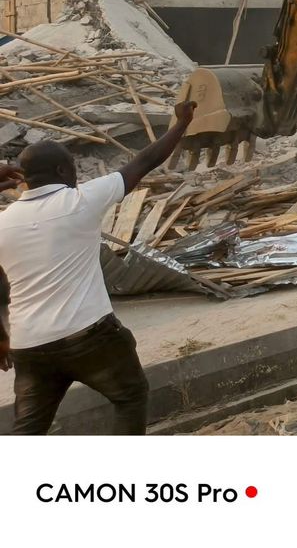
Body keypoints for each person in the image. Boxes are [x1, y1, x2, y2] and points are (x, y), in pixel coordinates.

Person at [0, 100, 197, 435]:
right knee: (130, 396)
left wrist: (1, 336)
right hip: (89, 337)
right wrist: (181, 124)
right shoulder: (81, 201)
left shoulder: (5, 223)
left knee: (28, 431)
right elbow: (145, 161)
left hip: (29, 345)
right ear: (64, 172)